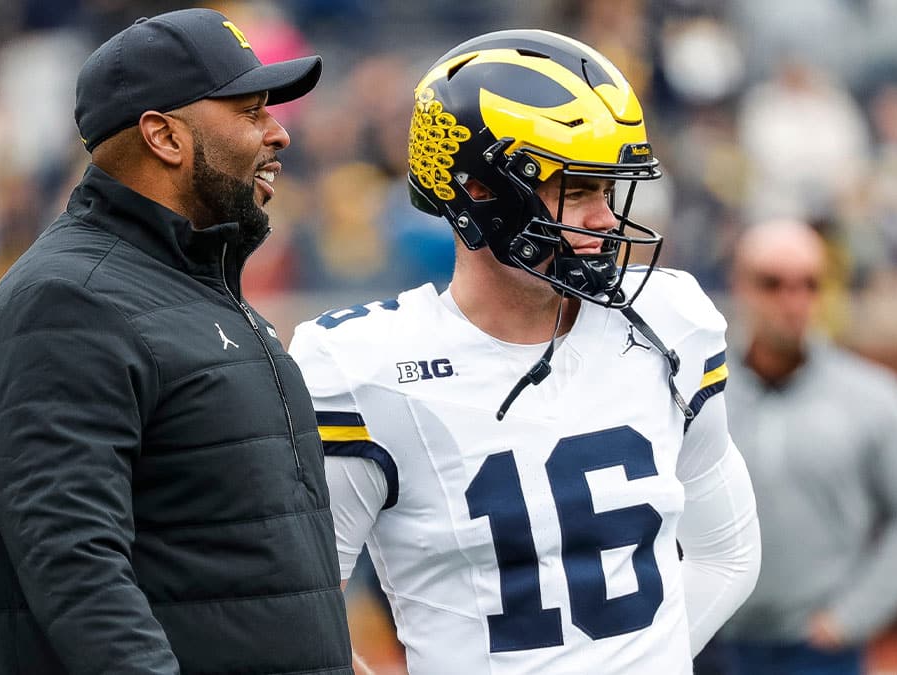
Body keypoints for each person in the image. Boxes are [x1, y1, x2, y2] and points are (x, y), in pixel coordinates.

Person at [289, 30, 761, 674]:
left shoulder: (670, 321)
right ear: (478, 191)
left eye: (608, 189)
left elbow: (725, 553)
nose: (604, 219)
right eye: (575, 189)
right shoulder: (362, 366)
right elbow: (294, 611)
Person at [0, 9, 353, 674]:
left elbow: (236, 567)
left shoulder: (194, 289)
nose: (278, 132)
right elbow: (79, 573)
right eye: (250, 111)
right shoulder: (68, 303)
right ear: (163, 136)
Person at [712, 219, 897, 675]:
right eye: (772, 283)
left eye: (810, 284)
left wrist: (850, 618)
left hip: (818, 651)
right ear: (739, 285)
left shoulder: (873, 396)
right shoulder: (696, 392)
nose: (793, 302)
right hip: (710, 640)